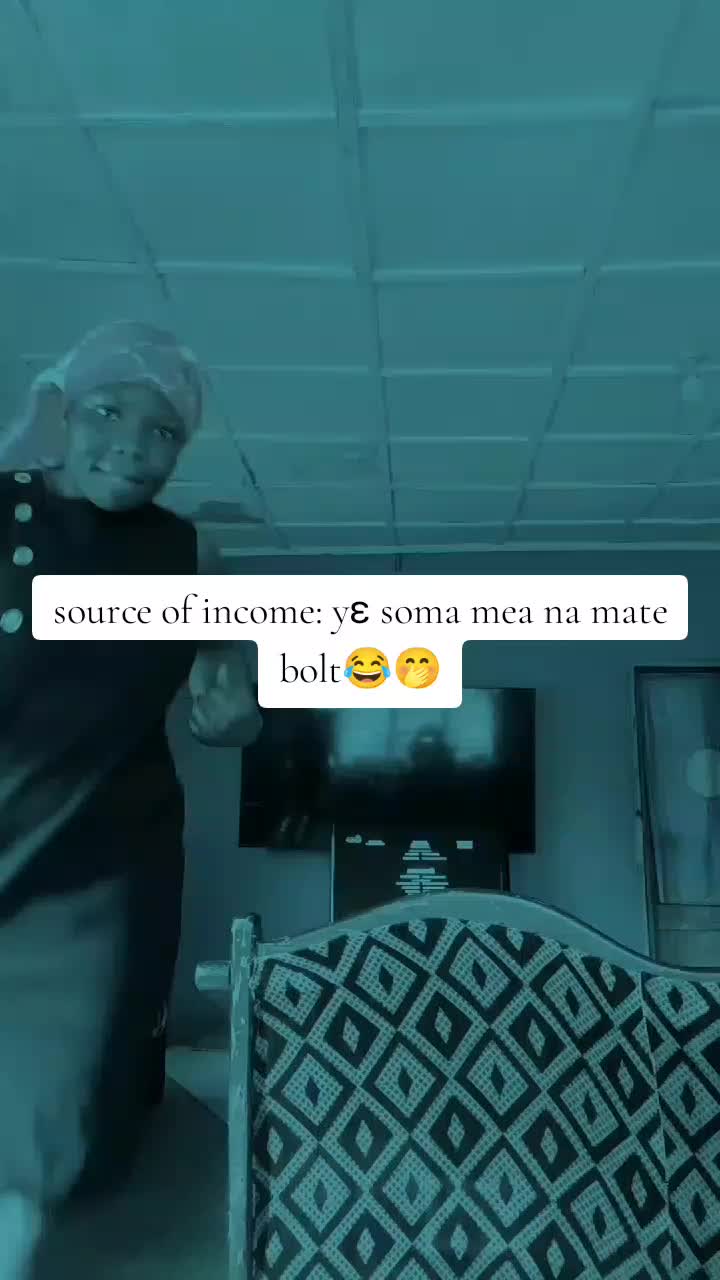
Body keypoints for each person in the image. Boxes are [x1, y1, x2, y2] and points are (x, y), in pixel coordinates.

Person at [0, 321, 262, 1280]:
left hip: (97, 866)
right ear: (63, 413)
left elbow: (227, 705)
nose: (134, 446)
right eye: (109, 413)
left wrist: (234, 714)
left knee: (36, 1120)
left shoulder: (185, 554)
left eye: (163, 433)